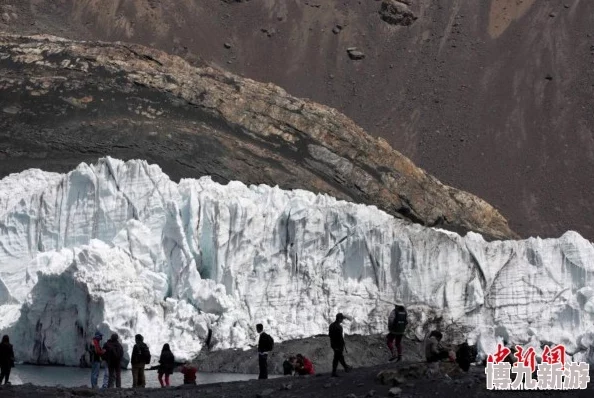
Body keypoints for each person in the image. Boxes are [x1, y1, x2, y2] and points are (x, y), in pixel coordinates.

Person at [329, 313, 351, 377]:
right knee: (337, 357)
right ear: (339, 319)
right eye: (342, 319)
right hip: (338, 345)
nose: (342, 320)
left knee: (339, 356)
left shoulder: (331, 325)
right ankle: (334, 372)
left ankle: (346, 367)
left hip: (334, 344)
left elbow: (330, 335)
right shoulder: (339, 327)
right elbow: (340, 337)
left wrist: (333, 345)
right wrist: (340, 345)